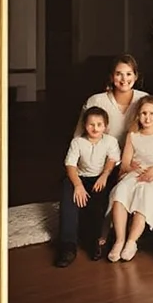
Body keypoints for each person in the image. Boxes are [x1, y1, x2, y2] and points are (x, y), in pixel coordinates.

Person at [52, 54, 143, 264]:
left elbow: (152, 132)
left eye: (129, 74)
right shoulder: (96, 100)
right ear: (111, 77)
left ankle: (96, 240)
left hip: (123, 165)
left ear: (136, 77)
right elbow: (78, 138)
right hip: (90, 164)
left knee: (101, 199)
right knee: (69, 190)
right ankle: (67, 245)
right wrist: (77, 181)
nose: (123, 79)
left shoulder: (142, 100)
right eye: (119, 74)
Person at [108, 95, 153, 262]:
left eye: (151, 113)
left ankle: (132, 241)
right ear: (138, 115)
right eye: (143, 113)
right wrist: (132, 167)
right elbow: (124, 164)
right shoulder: (133, 136)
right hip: (137, 173)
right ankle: (119, 240)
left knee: (145, 192)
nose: (147, 118)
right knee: (121, 190)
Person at [54, 104, 120, 267]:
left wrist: (104, 175)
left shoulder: (110, 141)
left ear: (105, 126)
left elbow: (112, 159)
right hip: (79, 177)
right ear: (85, 125)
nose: (95, 128)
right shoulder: (77, 142)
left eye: (99, 125)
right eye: (91, 124)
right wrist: (77, 185)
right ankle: (68, 246)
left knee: (98, 206)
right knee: (69, 200)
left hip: (99, 177)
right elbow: (70, 165)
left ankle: (94, 242)